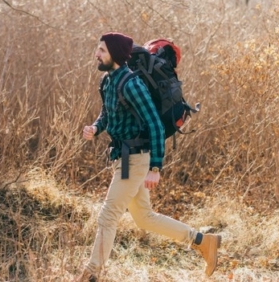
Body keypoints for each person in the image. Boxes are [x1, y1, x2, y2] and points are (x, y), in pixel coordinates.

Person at [78, 32, 221, 282]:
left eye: (101, 50)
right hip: (122, 158)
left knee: (108, 216)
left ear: (115, 54)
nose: (96, 54)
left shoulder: (132, 84)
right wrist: (95, 128)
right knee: (144, 217)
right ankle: (202, 241)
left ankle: (91, 274)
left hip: (135, 159)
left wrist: (155, 167)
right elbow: (107, 114)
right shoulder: (108, 82)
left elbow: (154, 123)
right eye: (97, 49)